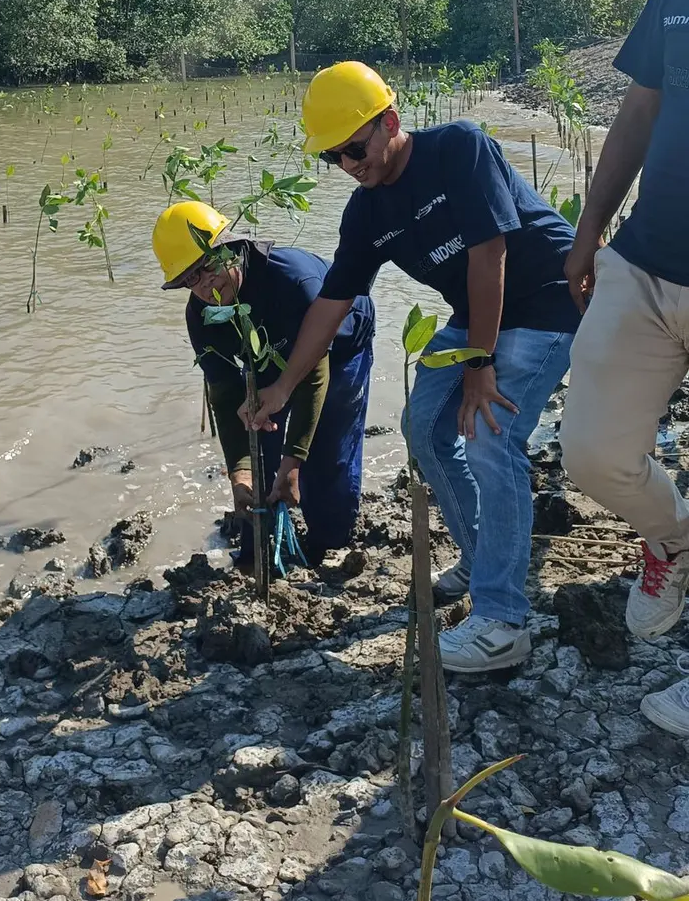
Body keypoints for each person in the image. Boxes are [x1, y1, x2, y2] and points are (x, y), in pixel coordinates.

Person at [243, 61, 581, 672]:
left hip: (549, 299)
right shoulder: (367, 212)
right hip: (479, 314)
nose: (350, 166)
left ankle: (503, 620)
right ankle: (484, 558)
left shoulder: (460, 148)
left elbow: (490, 254)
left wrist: (480, 362)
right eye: (333, 159)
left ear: (390, 123)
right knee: (424, 426)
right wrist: (281, 386)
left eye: (355, 148)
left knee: (488, 432)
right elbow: (330, 305)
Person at [560, 0, 689, 735]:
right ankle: (673, 541)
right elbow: (641, 110)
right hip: (645, 263)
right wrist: (589, 229)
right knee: (592, 454)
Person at [152, 200, 375, 567]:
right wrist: (239, 472)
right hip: (270, 352)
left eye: (209, 265)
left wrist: (292, 464)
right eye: (190, 278)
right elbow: (224, 393)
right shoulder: (202, 314)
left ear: (233, 249)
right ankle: (260, 550)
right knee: (259, 446)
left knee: (327, 448)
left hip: (338, 345)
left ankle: (329, 544)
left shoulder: (293, 282)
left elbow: (314, 374)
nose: (206, 284)